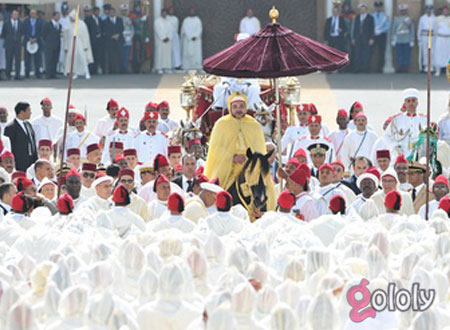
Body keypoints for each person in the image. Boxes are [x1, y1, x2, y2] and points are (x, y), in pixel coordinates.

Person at [205, 92, 273, 200]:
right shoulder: (221, 124)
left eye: (241, 106)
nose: (238, 109)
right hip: (228, 168)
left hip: (250, 167)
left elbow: (259, 150)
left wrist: (249, 159)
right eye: (235, 107)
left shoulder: (254, 125)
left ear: (246, 108)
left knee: (263, 189)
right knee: (220, 190)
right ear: (230, 108)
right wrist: (232, 157)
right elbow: (216, 150)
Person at [385, 88, 427, 158]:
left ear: (417, 103)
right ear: (405, 103)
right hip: (401, 155)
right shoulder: (397, 119)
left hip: (419, 155)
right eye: (408, 101)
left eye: (413, 101)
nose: (411, 103)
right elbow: (386, 136)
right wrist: (394, 147)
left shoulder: (424, 119)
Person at [4, 102, 38, 172]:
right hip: (19, 163)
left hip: (32, 161)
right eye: (29, 110)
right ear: (22, 112)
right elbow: (9, 148)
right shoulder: (11, 127)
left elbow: (33, 143)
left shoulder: (28, 125)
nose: (30, 113)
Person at [64, 9, 93, 80]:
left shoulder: (82, 24)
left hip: (80, 44)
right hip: (72, 43)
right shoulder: (69, 24)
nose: (70, 19)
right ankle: (75, 73)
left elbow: (85, 36)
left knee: (83, 58)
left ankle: (86, 73)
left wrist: (85, 46)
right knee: (74, 59)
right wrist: (66, 46)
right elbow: (67, 36)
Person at [391, 4, 415, 73]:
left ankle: (405, 67)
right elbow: (394, 29)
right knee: (399, 54)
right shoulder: (396, 19)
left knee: (406, 54)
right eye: (402, 11)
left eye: (404, 10)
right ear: (400, 11)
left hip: (407, 39)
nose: (403, 12)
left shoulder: (409, 19)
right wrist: (393, 39)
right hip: (398, 39)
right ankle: (400, 67)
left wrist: (412, 40)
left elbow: (412, 30)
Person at [351, 4, 374, 73]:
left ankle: (366, 69)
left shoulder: (370, 17)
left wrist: (371, 38)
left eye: (364, 9)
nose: (362, 11)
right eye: (361, 9)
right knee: (358, 54)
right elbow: (354, 28)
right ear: (359, 10)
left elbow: (372, 28)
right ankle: (358, 68)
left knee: (366, 54)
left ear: (366, 10)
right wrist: (353, 38)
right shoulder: (357, 17)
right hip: (358, 38)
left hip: (366, 38)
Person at [2, 10, 23, 80]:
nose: (15, 16)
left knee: (18, 60)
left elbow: (22, 32)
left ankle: (17, 75)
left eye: (17, 14)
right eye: (14, 14)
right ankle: (8, 75)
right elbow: (3, 34)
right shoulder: (6, 23)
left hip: (17, 45)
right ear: (11, 15)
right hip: (9, 44)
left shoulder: (20, 23)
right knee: (9, 60)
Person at [23, 9, 43, 79]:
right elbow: (24, 31)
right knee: (27, 59)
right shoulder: (26, 22)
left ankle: (37, 73)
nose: (33, 15)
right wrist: (29, 38)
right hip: (28, 41)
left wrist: (35, 39)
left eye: (34, 13)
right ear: (30, 14)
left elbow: (41, 32)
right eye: (32, 13)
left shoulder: (40, 22)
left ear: (36, 14)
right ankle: (27, 73)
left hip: (36, 41)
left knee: (37, 59)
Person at [103, 7, 124, 73]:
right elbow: (105, 30)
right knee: (111, 56)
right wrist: (112, 36)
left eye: (113, 12)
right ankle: (112, 70)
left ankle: (121, 70)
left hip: (119, 40)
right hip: (110, 41)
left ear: (115, 12)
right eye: (110, 12)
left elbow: (122, 28)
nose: (112, 13)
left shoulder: (119, 19)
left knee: (120, 55)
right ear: (109, 13)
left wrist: (118, 34)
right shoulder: (105, 21)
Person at [130, 4, 150, 74]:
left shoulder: (143, 15)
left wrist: (147, 35)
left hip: (143, 37)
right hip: (135, 36)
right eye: (137, 7)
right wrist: (139, 19)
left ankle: (142, 68)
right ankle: (135, 68)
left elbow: (146, 26)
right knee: (136, 53)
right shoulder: (132, 15)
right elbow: (133, 22)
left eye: (139, 8)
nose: (138, 9)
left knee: (143, 52)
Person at [42, 11, 61, 79]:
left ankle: (53, 74)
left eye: (59, 16)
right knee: (49, 60)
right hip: (49, 46)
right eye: (57, 16)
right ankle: (48, 74)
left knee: (55, 60)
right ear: (53, 16)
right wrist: (47, 42)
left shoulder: (59, 25)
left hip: (56, 46)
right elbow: (44, 34)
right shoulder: (47, 24)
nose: (58, 17)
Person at [85, 6, 104, 75]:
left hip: (99, 40)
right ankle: (91, 70)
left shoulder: (100, 19)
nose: (98, 13)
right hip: (92, 40)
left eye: (98, 12)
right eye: (96, 11)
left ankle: (96, 69)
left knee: (97, 55)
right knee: (91, 55)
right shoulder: (88, 19)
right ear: (93, 12)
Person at [372, 1, 390, 73]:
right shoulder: (372, 15)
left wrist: (381, 31)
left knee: (381, 52)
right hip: (374, 35)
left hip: (382, 35)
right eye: (377, 7)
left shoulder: (385, 16)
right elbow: (370, 25)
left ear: (381, 7)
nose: (378, 8)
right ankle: (371, 67)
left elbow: (387, 26)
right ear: (375, 7)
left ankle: (380, 68)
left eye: (379, 7)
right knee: (371, 51)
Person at [417, 5, 435, 73]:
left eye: (430, 9)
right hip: (424, 36)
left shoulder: (434, 18)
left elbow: (436, 29)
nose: (429, 11)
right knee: (425, 52)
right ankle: (426, 66)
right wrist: (419, 38)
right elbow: (420, 29)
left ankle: (431, 66)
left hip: (432, 36)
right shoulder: (422, 18)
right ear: (425, 10)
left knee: (432, 52)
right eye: (427, 9)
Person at [433, 6, 450, 77]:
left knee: (448, 54)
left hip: (448, 38)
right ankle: (438, 71)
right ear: (442, 11)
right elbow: (435, 30)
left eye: (447, 10)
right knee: (438, 54)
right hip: (440, 38)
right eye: (444, 10)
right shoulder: (438, 19)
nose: (445, 12)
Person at [154, 9, 172, 74]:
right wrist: (163, 37)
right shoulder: (157, 21)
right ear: (161, 13)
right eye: (163, 13)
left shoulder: (169, 21)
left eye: (165, 13)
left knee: (167, 55)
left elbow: (171, 30)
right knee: (160, 54)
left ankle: (167, 68)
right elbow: (158, 30)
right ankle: (159, 68)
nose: (164, 14)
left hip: (168, 40)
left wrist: (168, 37)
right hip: (160, 41)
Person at [119, 4, 134, 73]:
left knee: (127, 55)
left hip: (128, 39)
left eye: (125, 11)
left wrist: (130, 36)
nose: (124, 12)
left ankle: (126, 68)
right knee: (121, 55)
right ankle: (121, 68)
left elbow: (132, 29)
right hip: (121, 39)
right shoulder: (118, 19)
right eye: (123, 11)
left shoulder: (129, 19)